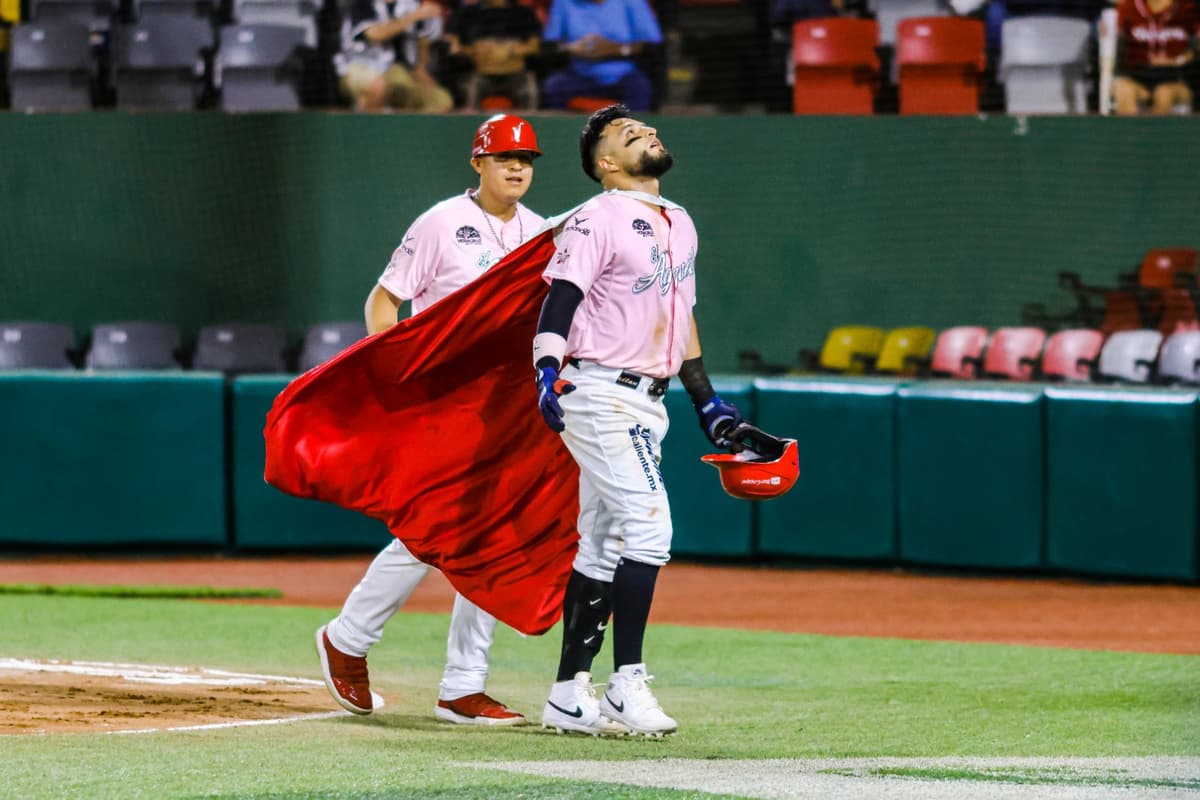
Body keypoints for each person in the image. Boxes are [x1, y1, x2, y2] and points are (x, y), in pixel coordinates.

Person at [316, 114, 546, 726]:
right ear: (478, 163)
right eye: (504, 157)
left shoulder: (538, 231)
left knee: (491, 535)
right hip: (444, 399)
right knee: (430, 529)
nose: (517, 167)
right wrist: (395, 377)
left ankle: (460, 684)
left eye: (526, 158)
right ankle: (350, 637)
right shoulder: (442, 222)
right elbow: (383, 300)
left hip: (509, 403)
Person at [530, 104, 748, 736]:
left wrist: (706, 400)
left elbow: (681, 317)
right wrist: (545, 368)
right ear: (606, 164)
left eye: (647, 129)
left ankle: (568, 694)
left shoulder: (679, 220)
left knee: (600, 542)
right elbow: (560, 299)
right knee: (650, 530)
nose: (647, 134)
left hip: (650, 398)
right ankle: (626, 682)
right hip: (597, 389)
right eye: (629, 135)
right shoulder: (597, 216)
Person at [541, 0, 663, 111]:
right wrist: (571, 48)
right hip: (579, 74)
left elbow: (650, 45)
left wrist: (612, 49)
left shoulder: (633, 2)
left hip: (623, 75)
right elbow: (550, 45)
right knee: (553, 87)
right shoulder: (564, 2)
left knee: (641, 89)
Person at [337, 0, 455, 112]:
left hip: (391, 67)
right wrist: (415, 16)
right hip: (355, 65)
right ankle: (366, 128)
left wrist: (421, 67)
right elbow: (376, 34)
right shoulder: (361, 3)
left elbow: (422, 38)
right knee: (377, 86)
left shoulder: (408, 4)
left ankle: (404, 129)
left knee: (440, 100)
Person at [446, 0, 543, 110]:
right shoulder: (468, 13)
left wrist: (511, 50)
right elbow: (454, 47)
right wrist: (476, 51)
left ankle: (530, 125)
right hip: (480, 74)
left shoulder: (524, 13)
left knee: (531, 91)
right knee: (469, 92)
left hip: (517, 74)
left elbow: (535, 47)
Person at [1113, 0, 1199, 115]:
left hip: (1176, 80)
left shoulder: (1187, 8)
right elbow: (1113, 38)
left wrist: (1176, 61)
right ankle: (1129, 133)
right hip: (1139, 77)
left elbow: (1195, 50)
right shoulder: (1128, 7)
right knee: (1124, 90)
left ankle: (1158, 133)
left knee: (1163, 93)